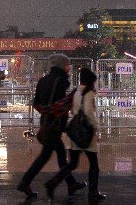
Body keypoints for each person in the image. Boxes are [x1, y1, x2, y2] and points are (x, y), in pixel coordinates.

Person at [16, 54, 86, 199]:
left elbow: (37, 103)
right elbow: (59, 104)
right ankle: (25, 182)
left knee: (58, 156)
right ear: (61, 66)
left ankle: (71, 183)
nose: (69, 68)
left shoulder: (43, 80)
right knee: (46, 157)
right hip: (55, 124)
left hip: (46, 122)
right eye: (67, 65)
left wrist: (46, 112)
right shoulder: (61, 81)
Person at [44, 67, 106, 201]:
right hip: (86, 131)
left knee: (72, 163)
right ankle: (93, 192)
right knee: (94, 164)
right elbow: (89, 111)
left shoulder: (75, 92)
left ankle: (52, 183)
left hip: (74, 130)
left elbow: (72, 110)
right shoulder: (88, 93)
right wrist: (96, 127)